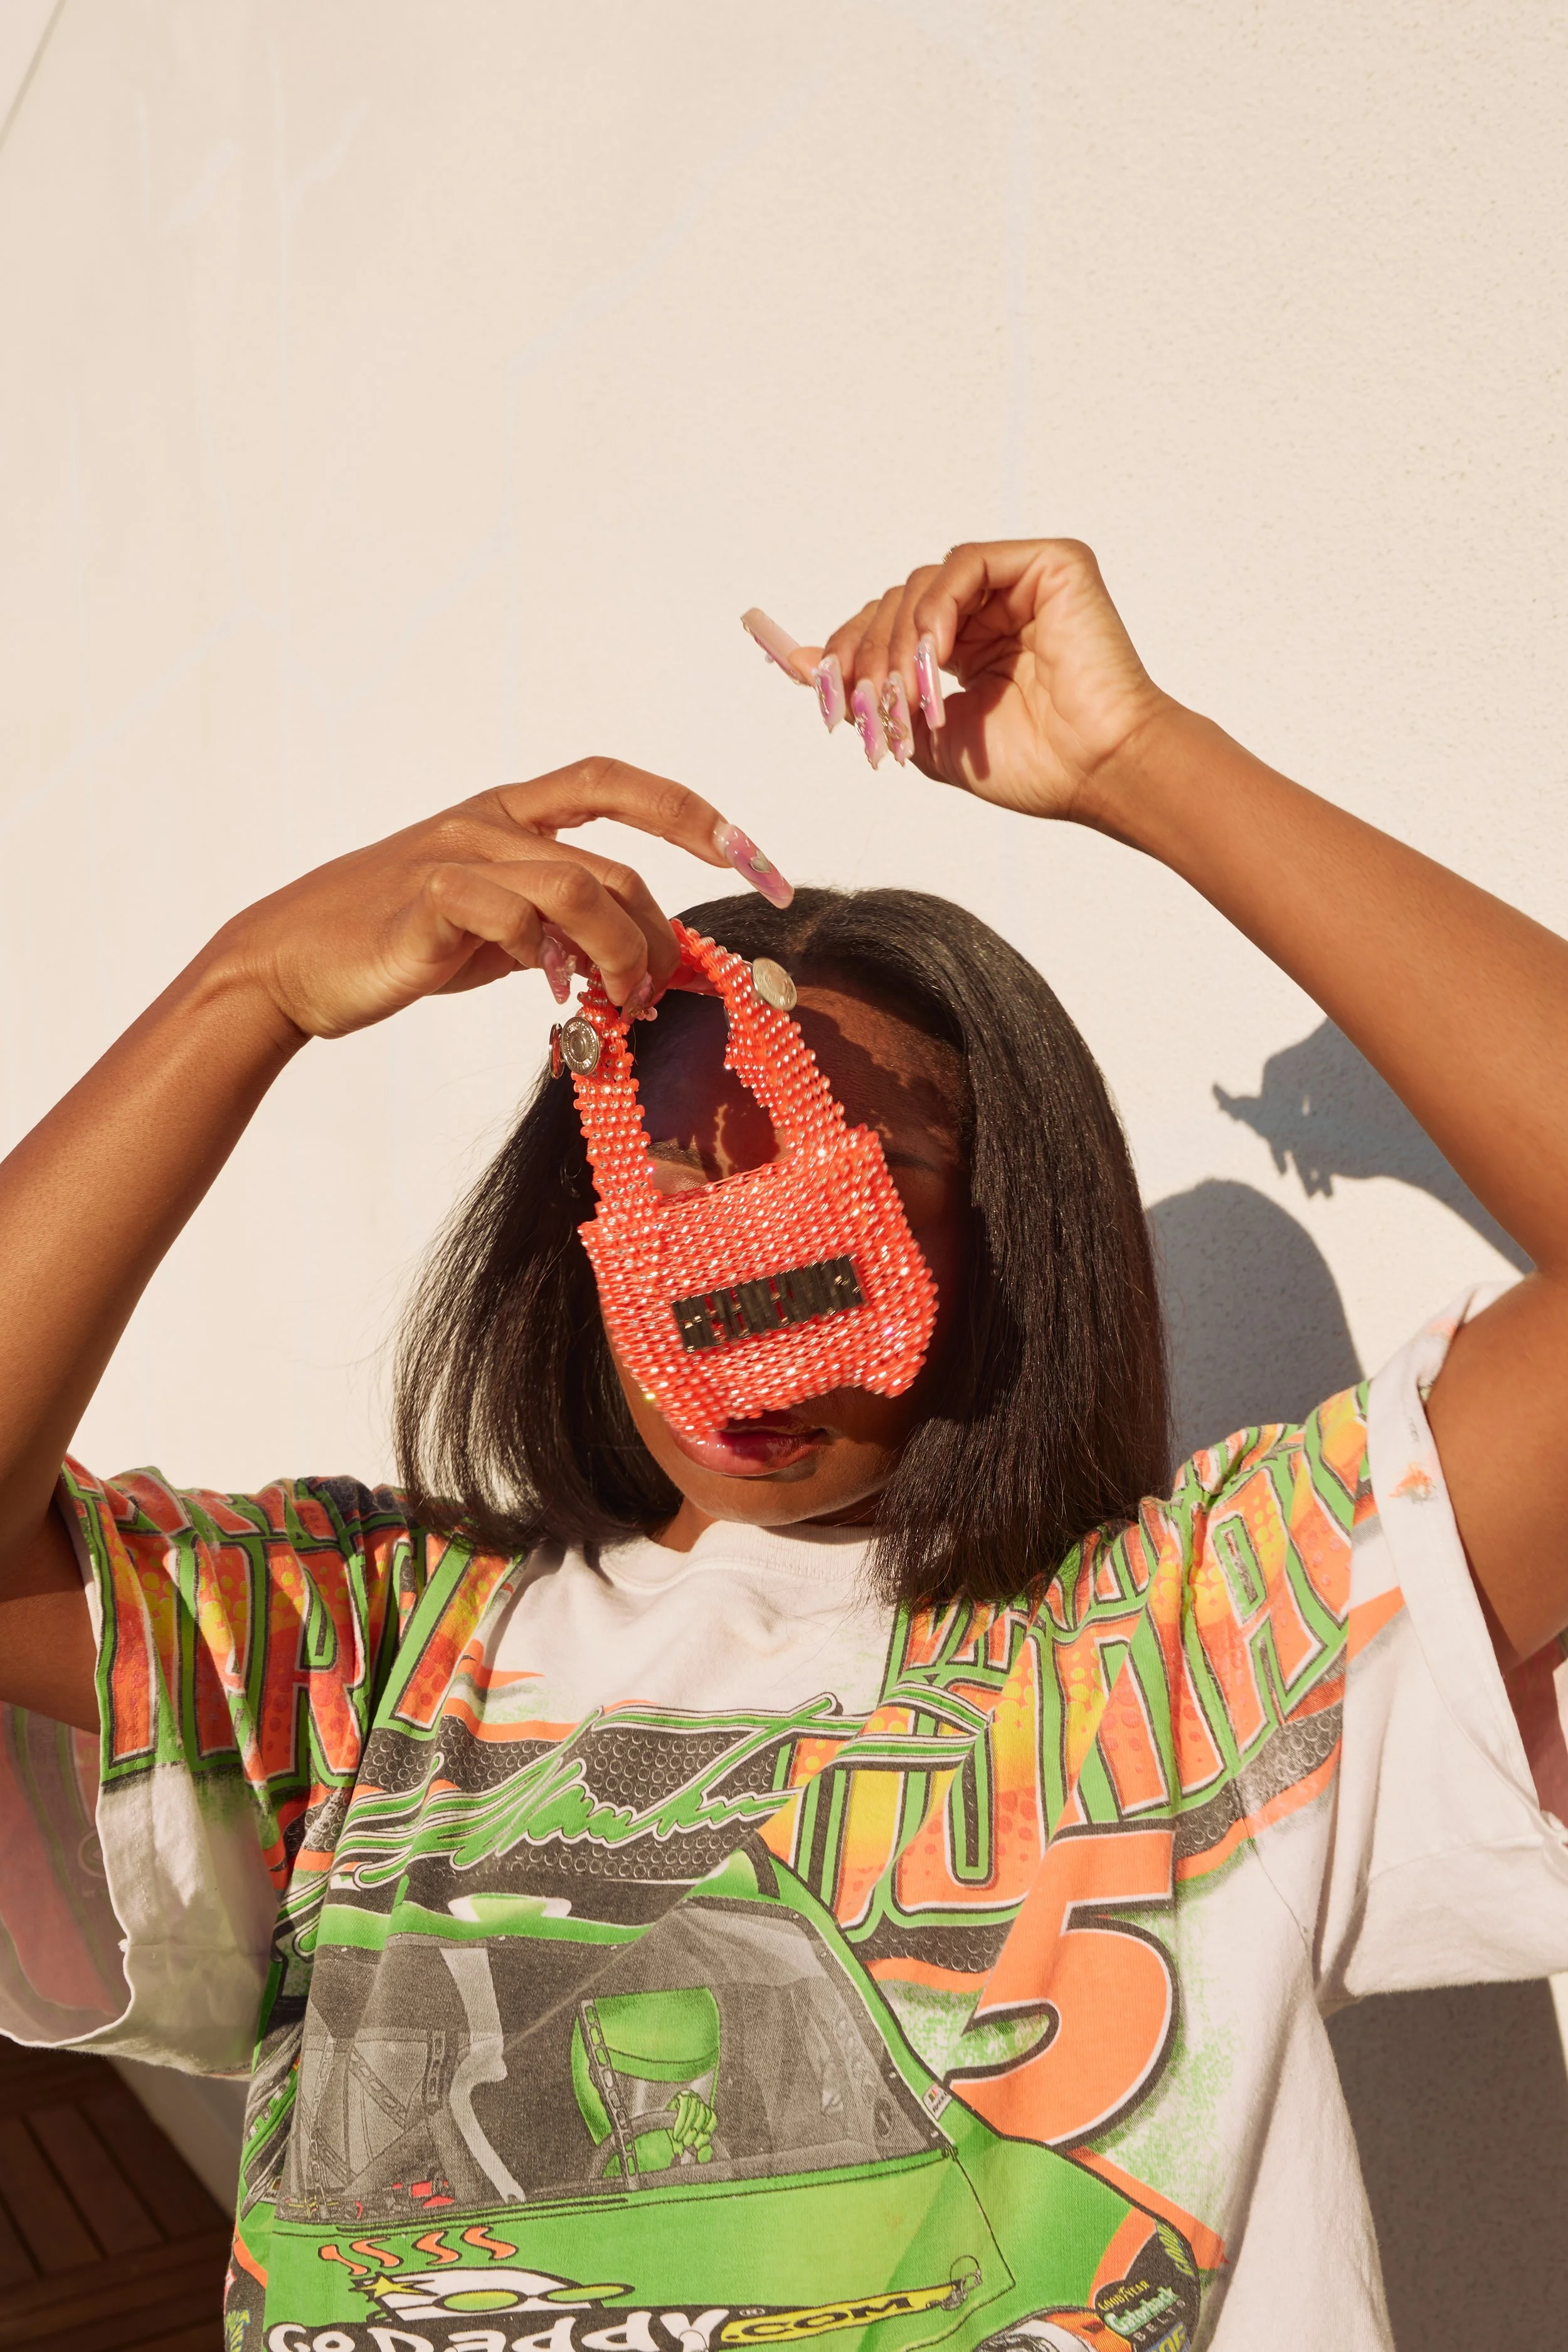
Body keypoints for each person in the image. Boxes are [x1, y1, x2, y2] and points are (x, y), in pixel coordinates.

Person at [0, 538, 1565, 2352]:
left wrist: (1148, 763)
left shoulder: (1206, 1644)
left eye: (864, 1173)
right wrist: (244, 992)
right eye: (675, 1168)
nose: (747, 1254)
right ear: (567, 1236)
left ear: (1002, 1240)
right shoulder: (373, 1654)